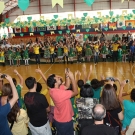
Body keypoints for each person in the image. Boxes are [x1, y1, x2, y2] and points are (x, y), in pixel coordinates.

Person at [47, 68, 78, 135]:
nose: (59, 78)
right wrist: (72, 78)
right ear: (55, 83)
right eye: (57, 78)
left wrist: (67, 75)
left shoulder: (53, 89)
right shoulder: (59, 94)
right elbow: (75, 92)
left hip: (60, 118)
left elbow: (67, 86)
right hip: (65, 121)